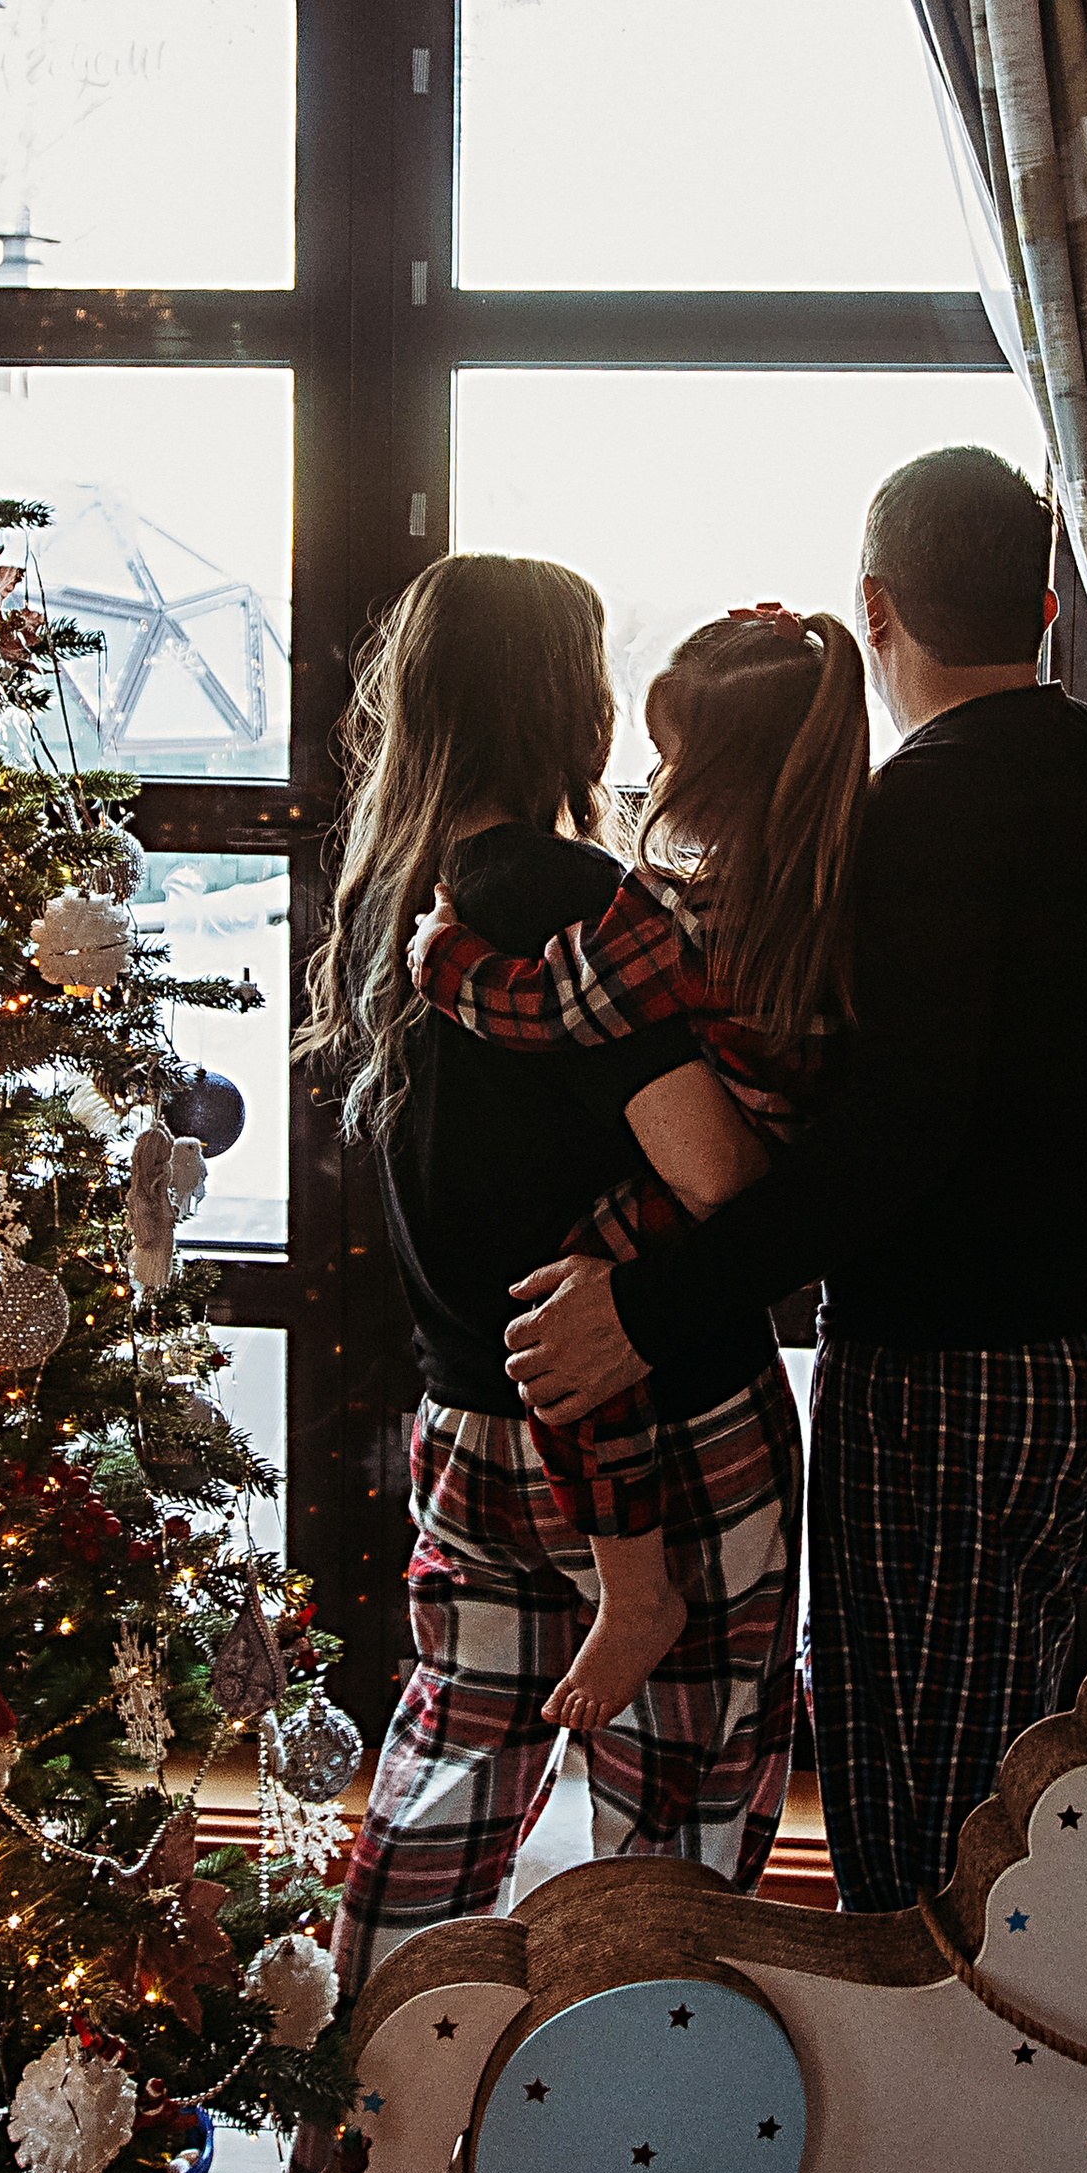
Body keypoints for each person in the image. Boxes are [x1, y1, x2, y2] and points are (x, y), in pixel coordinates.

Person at [503, 449, 1087, 1957]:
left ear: (876, 605)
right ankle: (1007, 2169)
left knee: (917, 1827)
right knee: (1016, 1787)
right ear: (1049, 600)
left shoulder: (925, 815)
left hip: (951, 1379)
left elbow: (896, 1141)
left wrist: (645, 1306)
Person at [296, 553, 805, 2007]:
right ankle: (634, 2158)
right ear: (566, 707)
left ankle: (379, 2131)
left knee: (447, 1779)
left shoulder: (391, 890)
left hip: (467, 1425)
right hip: (660, 1411)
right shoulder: (557, 895)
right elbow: (715, 1176)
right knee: (677, 1821)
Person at [405, 603, 866, 1732]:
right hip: (768, 1187)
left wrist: (447, 959)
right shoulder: (826, 882)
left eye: (668, 755)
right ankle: (636, 1593)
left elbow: (550, 1006)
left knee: (585, 1315)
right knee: (686, 1799)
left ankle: (637, 1589)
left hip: (523, 1359)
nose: (647, 774)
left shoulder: (647, 913)